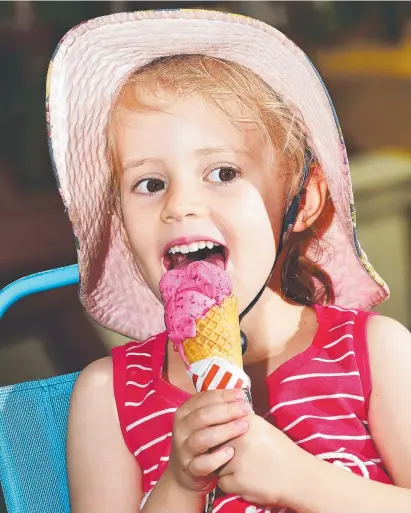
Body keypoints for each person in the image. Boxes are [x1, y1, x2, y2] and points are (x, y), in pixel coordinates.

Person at [46, 9, 411, 513]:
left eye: (221, 172)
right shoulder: (108, 397)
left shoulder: (374, 353)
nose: (180, 205)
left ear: (302, 202)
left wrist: (302, 481)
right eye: (150, 184)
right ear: (122, 227)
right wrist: (180, 485)